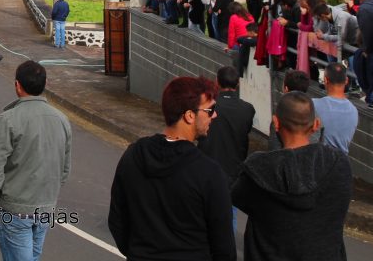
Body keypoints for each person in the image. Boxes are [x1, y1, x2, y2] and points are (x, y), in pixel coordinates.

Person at [108, 76, 234, 261]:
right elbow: (224, 246)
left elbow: (117, 221)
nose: (214, 115)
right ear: (189, 115)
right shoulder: (209, 173)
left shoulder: (133, 156)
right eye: (210, 110)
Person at [232, 92, 352, 261]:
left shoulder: (258, 170)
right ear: (316, 124)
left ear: (276, 123)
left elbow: (236, 196)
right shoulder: (338, 164)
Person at [0, 60, 71, 260]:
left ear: (17, 85)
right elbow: (64, 170)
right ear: (43, 85)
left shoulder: (9, 119)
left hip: (14, 208)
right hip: (45, 207)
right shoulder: (62, 120)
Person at [198, 66, 255, 233]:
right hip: (233, 169)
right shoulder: (247, 109)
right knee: (228, 216)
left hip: (206, 164)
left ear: (217, 82)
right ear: (237, 84)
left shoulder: (208, 106)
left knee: (202, 211)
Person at [313, 62, 358, 154]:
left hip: (320, 162)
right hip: (342, 163)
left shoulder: (314, 104)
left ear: (325, 80)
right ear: (346, 80)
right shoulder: (354, 110)